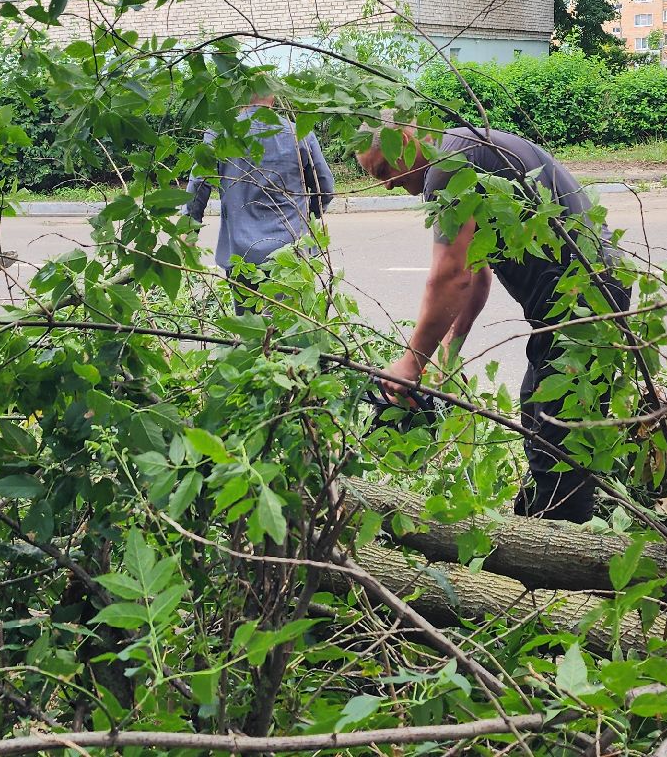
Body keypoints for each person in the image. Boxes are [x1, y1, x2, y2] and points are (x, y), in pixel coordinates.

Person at [358, 117, 630, 524]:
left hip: (583, 300)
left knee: (558, 438)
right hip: (591, 292)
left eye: (383, 171)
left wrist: (411, 364)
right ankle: (546, 525)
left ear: (405, 138)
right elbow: (475, 274)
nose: (387, 185)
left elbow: (451, 276)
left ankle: (564, 546)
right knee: (544, 416)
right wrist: (444, 357)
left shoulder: (447, 166)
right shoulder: (464, 150)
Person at [185, 95, 336, 304]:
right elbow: (325, 188)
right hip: (291, 252)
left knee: (248, 321)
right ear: (273, 98)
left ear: (239, 95)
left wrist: (189, 230)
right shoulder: (299, 134)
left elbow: (199, 185)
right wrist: (307, 217)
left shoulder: (219, 135)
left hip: (241, 255)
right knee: (292, 320)